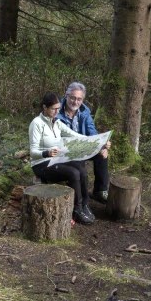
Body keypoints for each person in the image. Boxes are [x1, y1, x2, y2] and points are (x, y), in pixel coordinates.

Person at [29, 91, 95, 225]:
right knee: (73, 173)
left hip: (57, 160)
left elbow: (74, 135)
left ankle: (85, 205)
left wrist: (94, 140)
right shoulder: (36, 124)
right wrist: (46, 153)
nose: (56, 111)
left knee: (80, 167)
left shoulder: (57, 123)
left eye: (58, 108)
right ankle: (76, 210)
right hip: (41, 164)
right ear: (44, 107)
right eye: (53, 108)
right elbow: (32, 151)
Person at [57, 82, 111, 204]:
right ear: (66, 95)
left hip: (82, 147)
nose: (75, 102)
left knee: (102, 154)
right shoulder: (57, 111)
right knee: (79, 163)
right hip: (64, 151)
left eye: (79, 99)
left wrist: (101, 144)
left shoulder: (84, 111)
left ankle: (100, 191)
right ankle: (81, 198)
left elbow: (92, 131)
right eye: (72, 98)